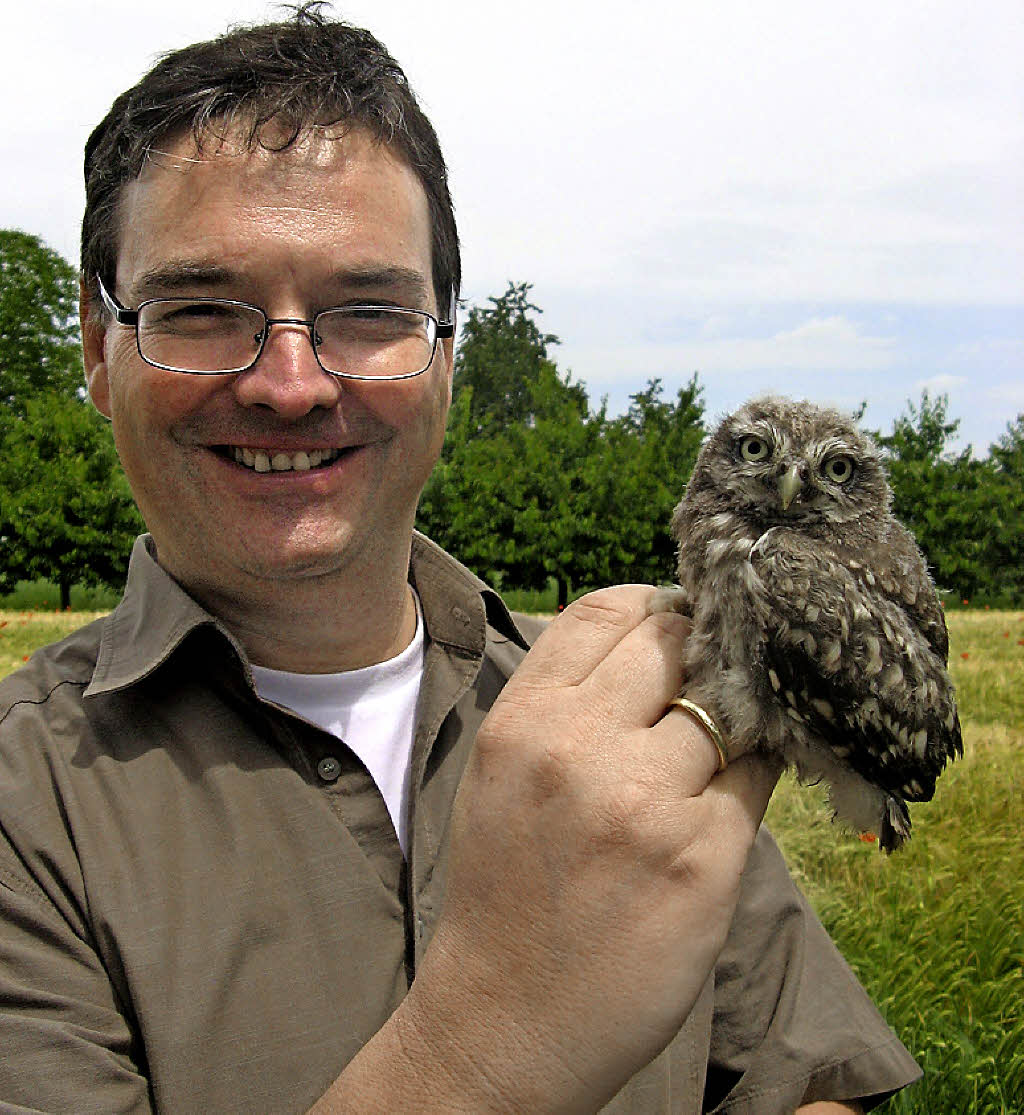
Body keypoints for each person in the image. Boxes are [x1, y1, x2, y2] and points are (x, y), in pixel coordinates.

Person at [0, 6, 922, 1112]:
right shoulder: (23, 803)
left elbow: (810, 1081)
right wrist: (490, 1041)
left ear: (443, 362)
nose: (289, 383)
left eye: (368, 310)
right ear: (101, 355)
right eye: (199, 309)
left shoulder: (631, 708)